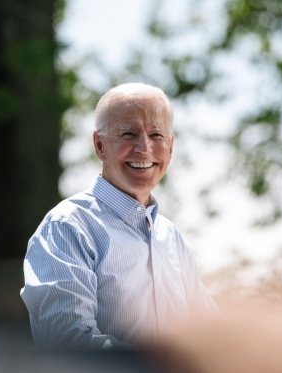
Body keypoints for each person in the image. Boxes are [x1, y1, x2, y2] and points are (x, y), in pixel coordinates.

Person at [20, 82, 217, 349]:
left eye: (157, 135)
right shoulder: (67, 228)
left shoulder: (170, 236)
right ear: (100, 145)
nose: (144, 147)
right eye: (129, 133)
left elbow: (212, 337)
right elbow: (68, 346)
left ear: (170, 147)